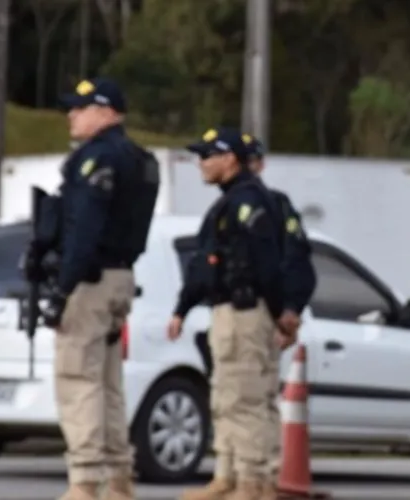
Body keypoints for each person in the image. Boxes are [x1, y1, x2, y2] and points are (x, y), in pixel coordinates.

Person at [35, 77, 159, 500]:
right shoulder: (139, 159)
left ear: (106, 113)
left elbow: (84, 230)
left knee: (78, 379)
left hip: (89, 279)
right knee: (107, 382)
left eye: (81, 107)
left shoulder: (96, 160)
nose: (72, 114)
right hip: (120, 276)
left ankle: (85, 483)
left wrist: (61, 289)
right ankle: (119, 480)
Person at [167, 128, 285, 500]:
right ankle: (235, 479)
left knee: (244, 401)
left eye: (208, 156)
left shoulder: (247, 202)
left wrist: (280, 313)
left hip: (243, 313)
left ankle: (251, 485)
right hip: (233, 311)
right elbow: (207, 264)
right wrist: (183, 308)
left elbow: (268, 264)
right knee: (231, 397)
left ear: (229, 159)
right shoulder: (232, 200)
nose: (201, 163)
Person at [245, 138, 317, 350]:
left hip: (263, 314)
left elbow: (297, 258)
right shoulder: (225, 206)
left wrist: (290, 308)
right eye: (242, 161)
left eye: (251, 161)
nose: (247, 167)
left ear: (261, 164)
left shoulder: (277, 205)